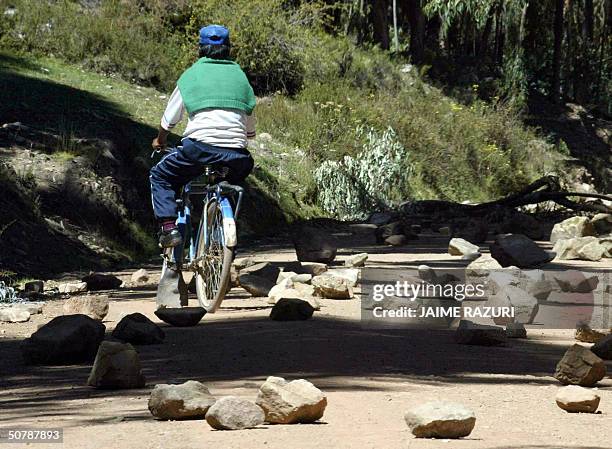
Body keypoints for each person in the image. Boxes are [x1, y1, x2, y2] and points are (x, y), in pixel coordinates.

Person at [150, 25, 256, 248]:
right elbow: (250, 129)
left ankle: (169, 229)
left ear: (200, 48)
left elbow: (169, 120)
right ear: (227, 49)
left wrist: (160, 140)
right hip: (238, 156)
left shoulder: (191, 76)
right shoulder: (240, 77)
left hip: (199, 150)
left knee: (160, 176)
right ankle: (222, 222)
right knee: (227, 180)